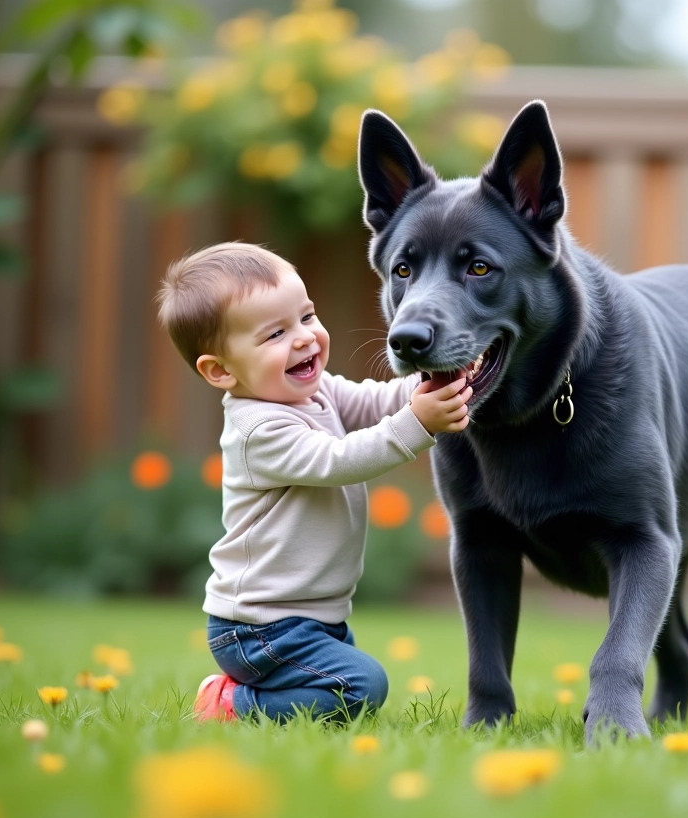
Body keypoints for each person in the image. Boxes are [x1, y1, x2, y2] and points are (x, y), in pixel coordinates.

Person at [155, 242, 471, 722]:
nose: (304, 338)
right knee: (361, 686)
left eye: (306, 317)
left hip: (312, 619)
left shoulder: (313, 390)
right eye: (275, 333)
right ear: (220, 370)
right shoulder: (258, 429)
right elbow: (336, 460)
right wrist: (419, 423)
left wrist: (427, 387)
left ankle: (245, 697)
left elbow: (372, 402)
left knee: (346, 689)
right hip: (259, 627)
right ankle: (230, 705)